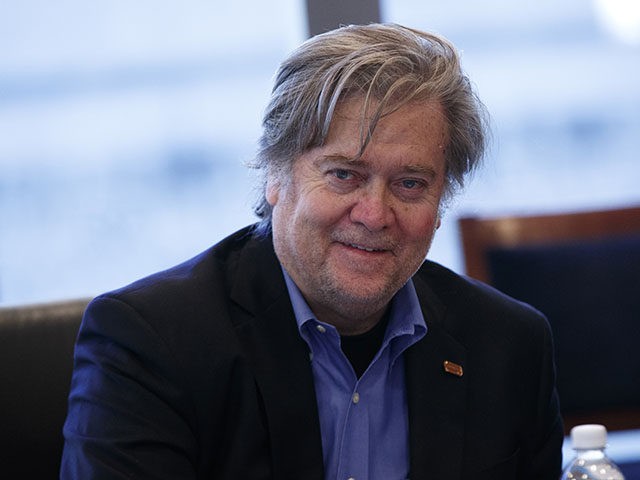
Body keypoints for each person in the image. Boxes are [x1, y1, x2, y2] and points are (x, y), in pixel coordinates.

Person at [61, 23, 563, 479]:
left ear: (441, 200)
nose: (374, 214)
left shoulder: (509, 345)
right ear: (276, 174)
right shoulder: (151, 345)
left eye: (410, 184)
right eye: (344, 175)